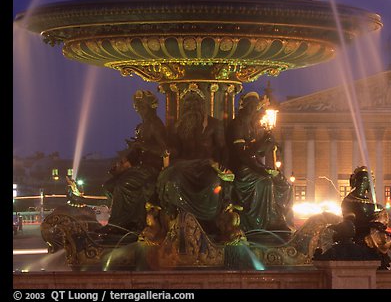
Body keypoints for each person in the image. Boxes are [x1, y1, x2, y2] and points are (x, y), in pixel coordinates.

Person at [156, 88, 234, 234]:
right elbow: (176, 149)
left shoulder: (214, 124)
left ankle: (209, 221)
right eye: (188, 102)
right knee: (172, 180)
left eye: (195, 102)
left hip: (206, 166)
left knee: (214, 184)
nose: (191, 106)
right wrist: (168, 150)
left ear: (202, 105)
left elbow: (223, 147)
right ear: (183, 105)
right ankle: (179, 219)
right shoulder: (178, 127)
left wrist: (223, 163)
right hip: (183, 166)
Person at [100, 90, 170, 237]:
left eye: (142, 106)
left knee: (122, 185)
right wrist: (121, 165)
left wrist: (143, 146)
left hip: (152, 168)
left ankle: (117, 225)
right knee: (109, 186)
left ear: (151, 107)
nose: (138, 109)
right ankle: (126, 220)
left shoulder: (155, 124)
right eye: (137, 106)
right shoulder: (141, 126)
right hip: (139, 168)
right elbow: (135, 153)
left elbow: (165, 149)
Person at [227, 92, 293, 232]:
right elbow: (242, 154)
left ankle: (278, 218)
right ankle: (261, 223)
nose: (252, 108)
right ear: (243, 105)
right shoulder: (237, 124)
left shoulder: (252, 126)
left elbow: (259, 152)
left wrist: (270, 143)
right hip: (240, 167)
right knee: (267, 182)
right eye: (249, 105)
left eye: (255, 105)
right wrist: (260, 167)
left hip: (251, 165)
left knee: (283, 182)